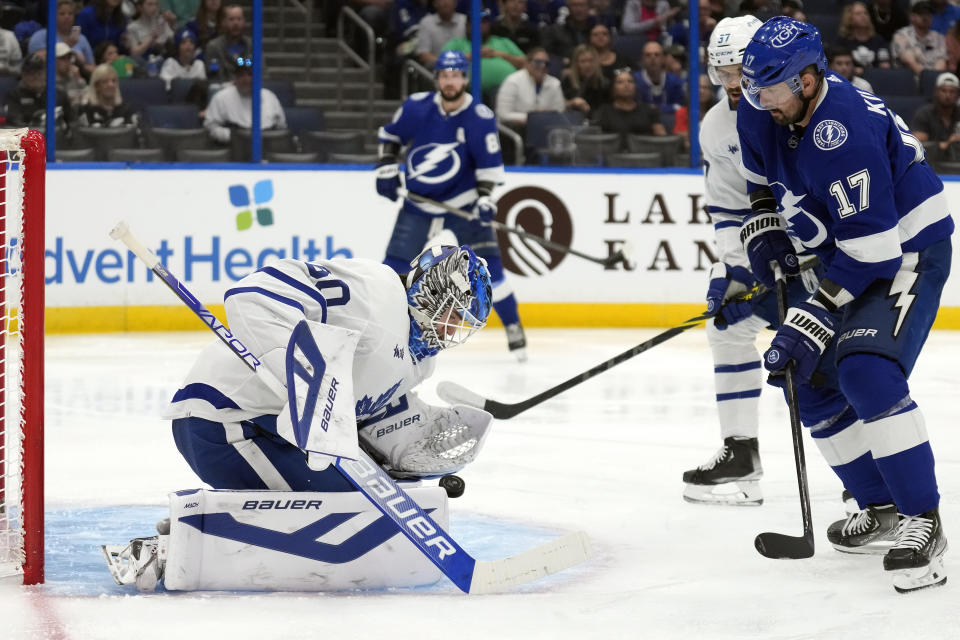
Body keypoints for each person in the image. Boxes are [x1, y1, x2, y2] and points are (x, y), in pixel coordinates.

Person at [107, 244, 495, 591]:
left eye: (461, 326)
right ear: (428, 293)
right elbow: (252, 294)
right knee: (347, 508)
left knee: (369, 500)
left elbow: (362, 424)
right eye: (450, 315)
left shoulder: (419, 363)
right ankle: (171, 548)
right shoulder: (376, 292)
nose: (449, 330)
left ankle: (191, 535)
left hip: (270, 431)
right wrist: (296, 370)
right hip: (222, 420)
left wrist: (411, 443)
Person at [738, 16, 953, 593]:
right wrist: (763, 226)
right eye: (752, 88)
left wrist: (815, 312)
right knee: (806, 379)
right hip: (851, 255)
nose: (759, 100)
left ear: (808, 80)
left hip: (906, 253)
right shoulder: (762, 104)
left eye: (772, 88)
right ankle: (881, 506)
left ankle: (923, 523)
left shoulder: (843, 132)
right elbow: (758, 176)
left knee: (866, 370)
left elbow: (875, 254)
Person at [682, 15, 819, 506]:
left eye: (741, 69)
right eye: (723, 73)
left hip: (822, 257)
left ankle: (869, 486)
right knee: (726, 328)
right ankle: (741, 455)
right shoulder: (715, 125)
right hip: (771, 253)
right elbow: (727, 209)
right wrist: (737, 269)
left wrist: (797, 255)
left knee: (834, 362)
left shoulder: (793, 109)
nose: (734, 84)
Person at [377, 50, 529, 360]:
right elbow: (390, 137)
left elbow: (488, 168)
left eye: (456, 75)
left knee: (491, 271)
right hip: (419, 205)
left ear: (465, 78)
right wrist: (386, 169)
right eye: (444, 75)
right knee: (392, 271)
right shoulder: (417, 107)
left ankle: (513, 327)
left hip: (464, 206)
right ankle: (378, 329)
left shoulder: (480, 117)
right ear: (437, 78)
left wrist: (485, 199)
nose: (450, 81)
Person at [441, 10, 525, 102]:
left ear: (489, 25)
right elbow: (442, 63)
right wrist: (471, 55)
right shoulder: (457, 43)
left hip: (504, 89)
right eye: (475, 22)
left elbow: (526, 63)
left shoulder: (503, 42)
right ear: (467, 26)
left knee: (500, 92)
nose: (479, 25)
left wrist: (500, 55)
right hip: (466, 90)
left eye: (483, 22)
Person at [204, 56, 286, 144]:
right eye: (241, 75)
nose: (246, 79)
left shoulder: (270, 97)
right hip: (233, 147)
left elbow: (281, 127)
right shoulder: (221, 97)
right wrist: (234, 137)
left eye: (250, 74)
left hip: (266, 145)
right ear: (235, 78)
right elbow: (210, 127)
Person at [591, 68, 666, 150]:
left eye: (630, 81)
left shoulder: (648, 110)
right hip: (614, 159)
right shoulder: (604, 111)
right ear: (613, 89)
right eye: (620, 82)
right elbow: (595, 142)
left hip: (644, 158)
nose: (626, 85)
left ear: (635, 87)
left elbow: (662, 139)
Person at [4, 52, 75, 134]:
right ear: (23, 75)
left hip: (57, 141)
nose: (35, 77)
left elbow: (72, 122)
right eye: (30, 73)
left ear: (46, 73)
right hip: (29, 141)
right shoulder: (14, 95)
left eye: (39, 73)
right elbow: (15, 125)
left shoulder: (59, 94)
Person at [495, 47, 565, 129]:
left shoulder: (555, 83)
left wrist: (542, 118)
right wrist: (532, 117)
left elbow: (560, 112)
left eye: (546, 63)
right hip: (515, 130)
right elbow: (503, 114)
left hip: (545, 129)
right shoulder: (513, 81)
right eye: (538, 62)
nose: (543, 66)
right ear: (527, 63)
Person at [28, 0, 96, 73]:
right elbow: (35, 61)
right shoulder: (41, 36)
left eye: (70, 14)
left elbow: (92, 67)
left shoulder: (81, 39)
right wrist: (67, 46)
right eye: (62, 14)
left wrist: (81, 65)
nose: (67, 17)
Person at [911, 71, 960, 160]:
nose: (947, 95)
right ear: (936, 92)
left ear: (957, 95)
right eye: (943, 91)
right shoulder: (924, 114)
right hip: (932, 164)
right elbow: (917, 146)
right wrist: (947, 144)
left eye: (952, 91)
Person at [891, 0, 947, 76]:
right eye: (921, 14)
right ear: (912, 16)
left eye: (928, 14)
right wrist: (927, 79)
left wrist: (932, 80)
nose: (925, 17)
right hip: (907, 79)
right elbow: (910, 62)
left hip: (933, 80)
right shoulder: (901, 35)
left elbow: (941, 62)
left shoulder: (939, 37)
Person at [836, 1, 892, 73]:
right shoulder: (843, 41)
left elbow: (885, 65)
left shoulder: (878, 40)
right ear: (849, 18)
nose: (863, 16)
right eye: (858, 14)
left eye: (865, 13)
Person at [77, 63, 139, 127]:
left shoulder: (127, 109)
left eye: (114, 81)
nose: (111, 85)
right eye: (105, 81)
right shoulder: (87, 110)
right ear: (96, 86)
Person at [633, 40, 685, 114]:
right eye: (648, 55)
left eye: (656, 54)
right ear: (642, 59)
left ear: (663, 58)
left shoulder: (675, 81)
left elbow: (679, 107)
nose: (653, 58)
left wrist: (656, 108)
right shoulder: (634, 80)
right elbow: (635, 108)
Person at [204, 4, 251, 83]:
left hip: (249, 90)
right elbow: (212, 78)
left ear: (244, 22)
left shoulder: (252, 46)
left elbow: (263, 74)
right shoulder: (213, 47)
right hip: (222, 91)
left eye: (239, 19)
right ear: (224, 22)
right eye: (231, 19)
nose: (236, 23)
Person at [415, 0, 466, 69]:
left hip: (463, 71)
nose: (445, 3)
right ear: (434, 4)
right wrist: (447, 64)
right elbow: (424, 55)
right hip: (433, 73)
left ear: (455, 3)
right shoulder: (426, 22)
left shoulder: (465, 21)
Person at [561, 44, 609, 115]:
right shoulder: (568, 80)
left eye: (590, 60)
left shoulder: (604, 83)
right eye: (583, 61)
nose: (587, 65)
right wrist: (572, 103)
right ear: (576, 63)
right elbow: (558, 103)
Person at [55, 41, 88, 106]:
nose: (67, 62)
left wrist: (79, 79)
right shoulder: (48, 80)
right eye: (63, 58)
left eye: (69, 58)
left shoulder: (74, 76)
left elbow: (87, 95)